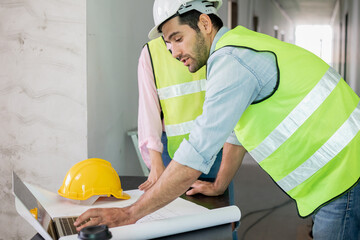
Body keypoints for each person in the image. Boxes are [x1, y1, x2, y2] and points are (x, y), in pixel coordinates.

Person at [75, 0, 360, 239]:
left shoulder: (231, 61)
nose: (173, 52)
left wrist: (128, 214)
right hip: (342, 170)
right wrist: (220, 185)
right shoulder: (238, 47)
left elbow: (196, 154)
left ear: (204, 23)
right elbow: (237, 133)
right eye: (167, 43)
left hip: (343, 175)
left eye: (177, 38)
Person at [137, 36, 243, 192]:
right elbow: (148, 110)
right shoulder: (152, 52)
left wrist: (220, 183)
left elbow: (232, 109)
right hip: (173, 152)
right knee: (175, 210)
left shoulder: (218, 44)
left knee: (219, 209)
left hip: (216, 149)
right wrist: (155, 162)